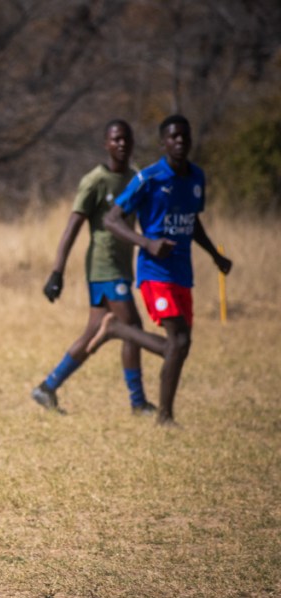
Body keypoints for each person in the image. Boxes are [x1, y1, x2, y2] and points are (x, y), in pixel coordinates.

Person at [89, 114, 232, 425]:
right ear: (163, 143)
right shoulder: (149, 179)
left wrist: (213, 256)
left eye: (185, 136)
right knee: (177, 342)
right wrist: (147, 243)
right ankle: (117, 330)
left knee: (182, 346)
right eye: (173, 137)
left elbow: (193, 223)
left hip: (183, 273)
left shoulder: (196, 178)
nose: (180, 141)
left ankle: (165, 415)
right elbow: (110, 221)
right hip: (155, 273)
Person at [32, 120, 157, 415]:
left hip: (124, 266)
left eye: (126, 139)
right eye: (116, 139)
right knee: (132, 328)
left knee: (93, 333)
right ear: (106, 144)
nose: (122, 144)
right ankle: (138, 403)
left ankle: (47, 387)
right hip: (104, 266)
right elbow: (72, 227)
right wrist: (57, 271)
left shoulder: (136, 179)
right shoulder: (95, 181)